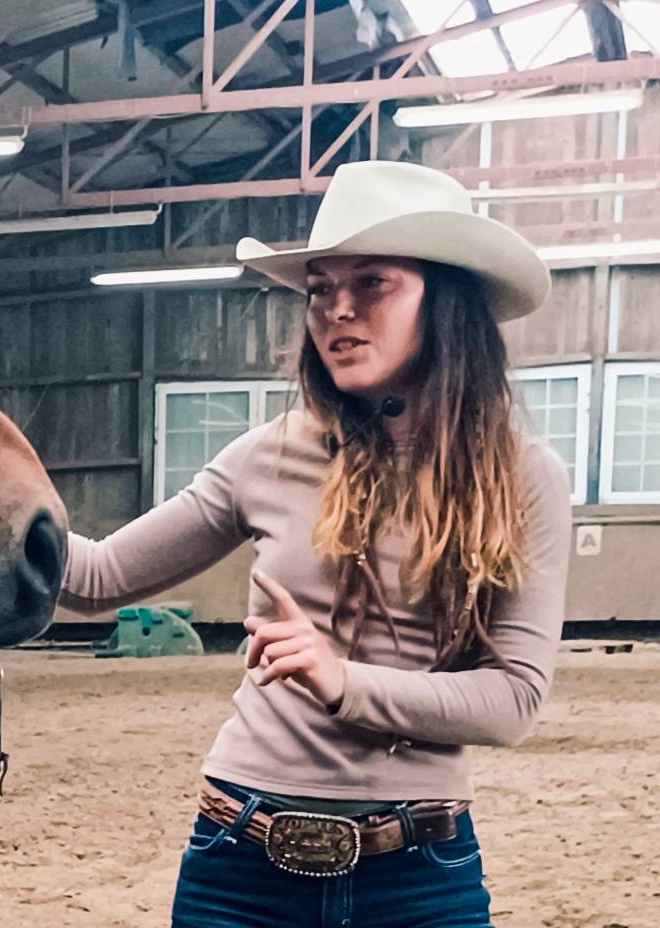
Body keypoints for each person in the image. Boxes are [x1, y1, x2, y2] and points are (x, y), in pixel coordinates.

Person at [60, 160, 571, 927]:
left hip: (419, 877)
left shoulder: (522, 475)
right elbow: (97, 577)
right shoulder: (266, 453)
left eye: (372, 283)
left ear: (447, 300)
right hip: (239, 862)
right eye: (320, 289)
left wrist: (341, 681)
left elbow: (511, 703)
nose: (336, 310)